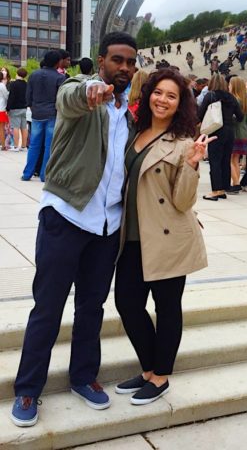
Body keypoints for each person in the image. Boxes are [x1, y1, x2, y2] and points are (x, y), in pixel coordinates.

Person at [11, 32, 137, 427]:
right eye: (117, 60)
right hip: (66, 216)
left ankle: (83, 376)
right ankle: (28, 389)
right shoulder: (82, 91)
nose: (124, 68)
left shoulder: (129, 114)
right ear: (101, 61)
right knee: (47, 307)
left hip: (106, 225)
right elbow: (70, 97)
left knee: (91, 308)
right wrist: (90, 93)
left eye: (131, 62)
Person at [114, 70, 211, 405]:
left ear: (180, 103)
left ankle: (160, 375)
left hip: (168, 239)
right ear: (148, 94)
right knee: (126, 304)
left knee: (167, 307)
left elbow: (183, 201)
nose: (162, 100)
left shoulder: (184, 143)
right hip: (131, 238)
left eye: (171, 96)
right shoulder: (134, 133)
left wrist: (193, 165)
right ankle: (148, 368)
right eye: (158, 93)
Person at [22, 51, 66, 182]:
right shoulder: (59, 78)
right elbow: (61, 99)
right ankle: (44, 175)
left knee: (34, 144)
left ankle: (27, 174)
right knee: (49, 146)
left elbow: (28, 95)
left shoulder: (33, 75)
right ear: (58, 62)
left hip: (36, 113)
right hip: (52, 113)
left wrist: (32, 106)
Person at [197, 74, 242, 200]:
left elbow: (199, 114)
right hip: (229, 131)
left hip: (216, 131)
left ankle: (216, 190)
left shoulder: (210, 95)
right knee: (225, 160)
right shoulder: (231, 97)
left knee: (215, 161)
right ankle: (223, 188)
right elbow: (240, 116)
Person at [229, 75, 247, 193]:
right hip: (243, 132)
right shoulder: (245, 100)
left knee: (231, 159)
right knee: (236, 159)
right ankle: (236, 182)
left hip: (235, 132)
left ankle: (235, 183)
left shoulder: (234, 100)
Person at [7, 68, 28, 151]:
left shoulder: (13, 84)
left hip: (15, 108)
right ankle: (24, 146)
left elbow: (11, 97)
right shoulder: (26, 84)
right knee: (24, 127)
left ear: (17, 74)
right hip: (24, 108)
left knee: (15, 127)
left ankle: (16, 146)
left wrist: (8, 108)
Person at [0, 69, 9, 150]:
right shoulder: (2, 85)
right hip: (1, 108)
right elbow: (6, 96)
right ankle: (3, 145)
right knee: (1, 128)